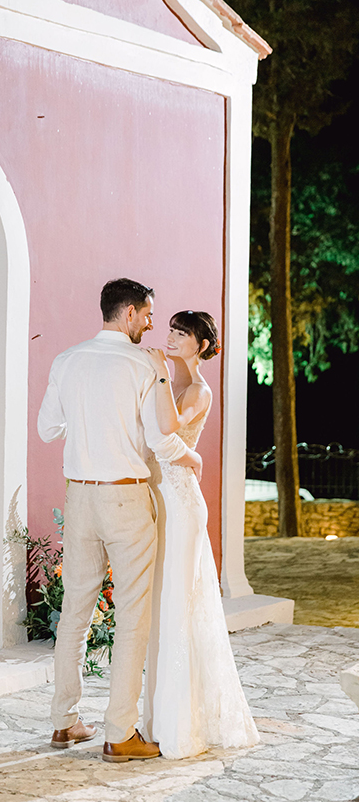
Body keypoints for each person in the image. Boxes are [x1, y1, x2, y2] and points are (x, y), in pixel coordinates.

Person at [37, 279, 202, 763]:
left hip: (80, 499)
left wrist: (88, 424)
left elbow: (49, 429)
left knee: (75, 614)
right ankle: (118, 733)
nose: (152, 324)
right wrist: (189, 456)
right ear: (129, 313)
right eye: (149, 315)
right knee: (132, 618)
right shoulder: (141, 365)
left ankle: (65, 723)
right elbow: (160, 440)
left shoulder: (65, 360)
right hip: (126, 500)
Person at [142, 310, 259, 759]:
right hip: (156, 496)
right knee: (161, 605)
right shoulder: (166, 384)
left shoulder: (198, 390)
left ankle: (181, 723)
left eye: (182, 333)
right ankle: (157, 717)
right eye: (170, 330)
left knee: (179, 603)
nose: (170, 337)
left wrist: (156, 375)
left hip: (183, 503)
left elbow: (171, 428)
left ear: (201, 345)